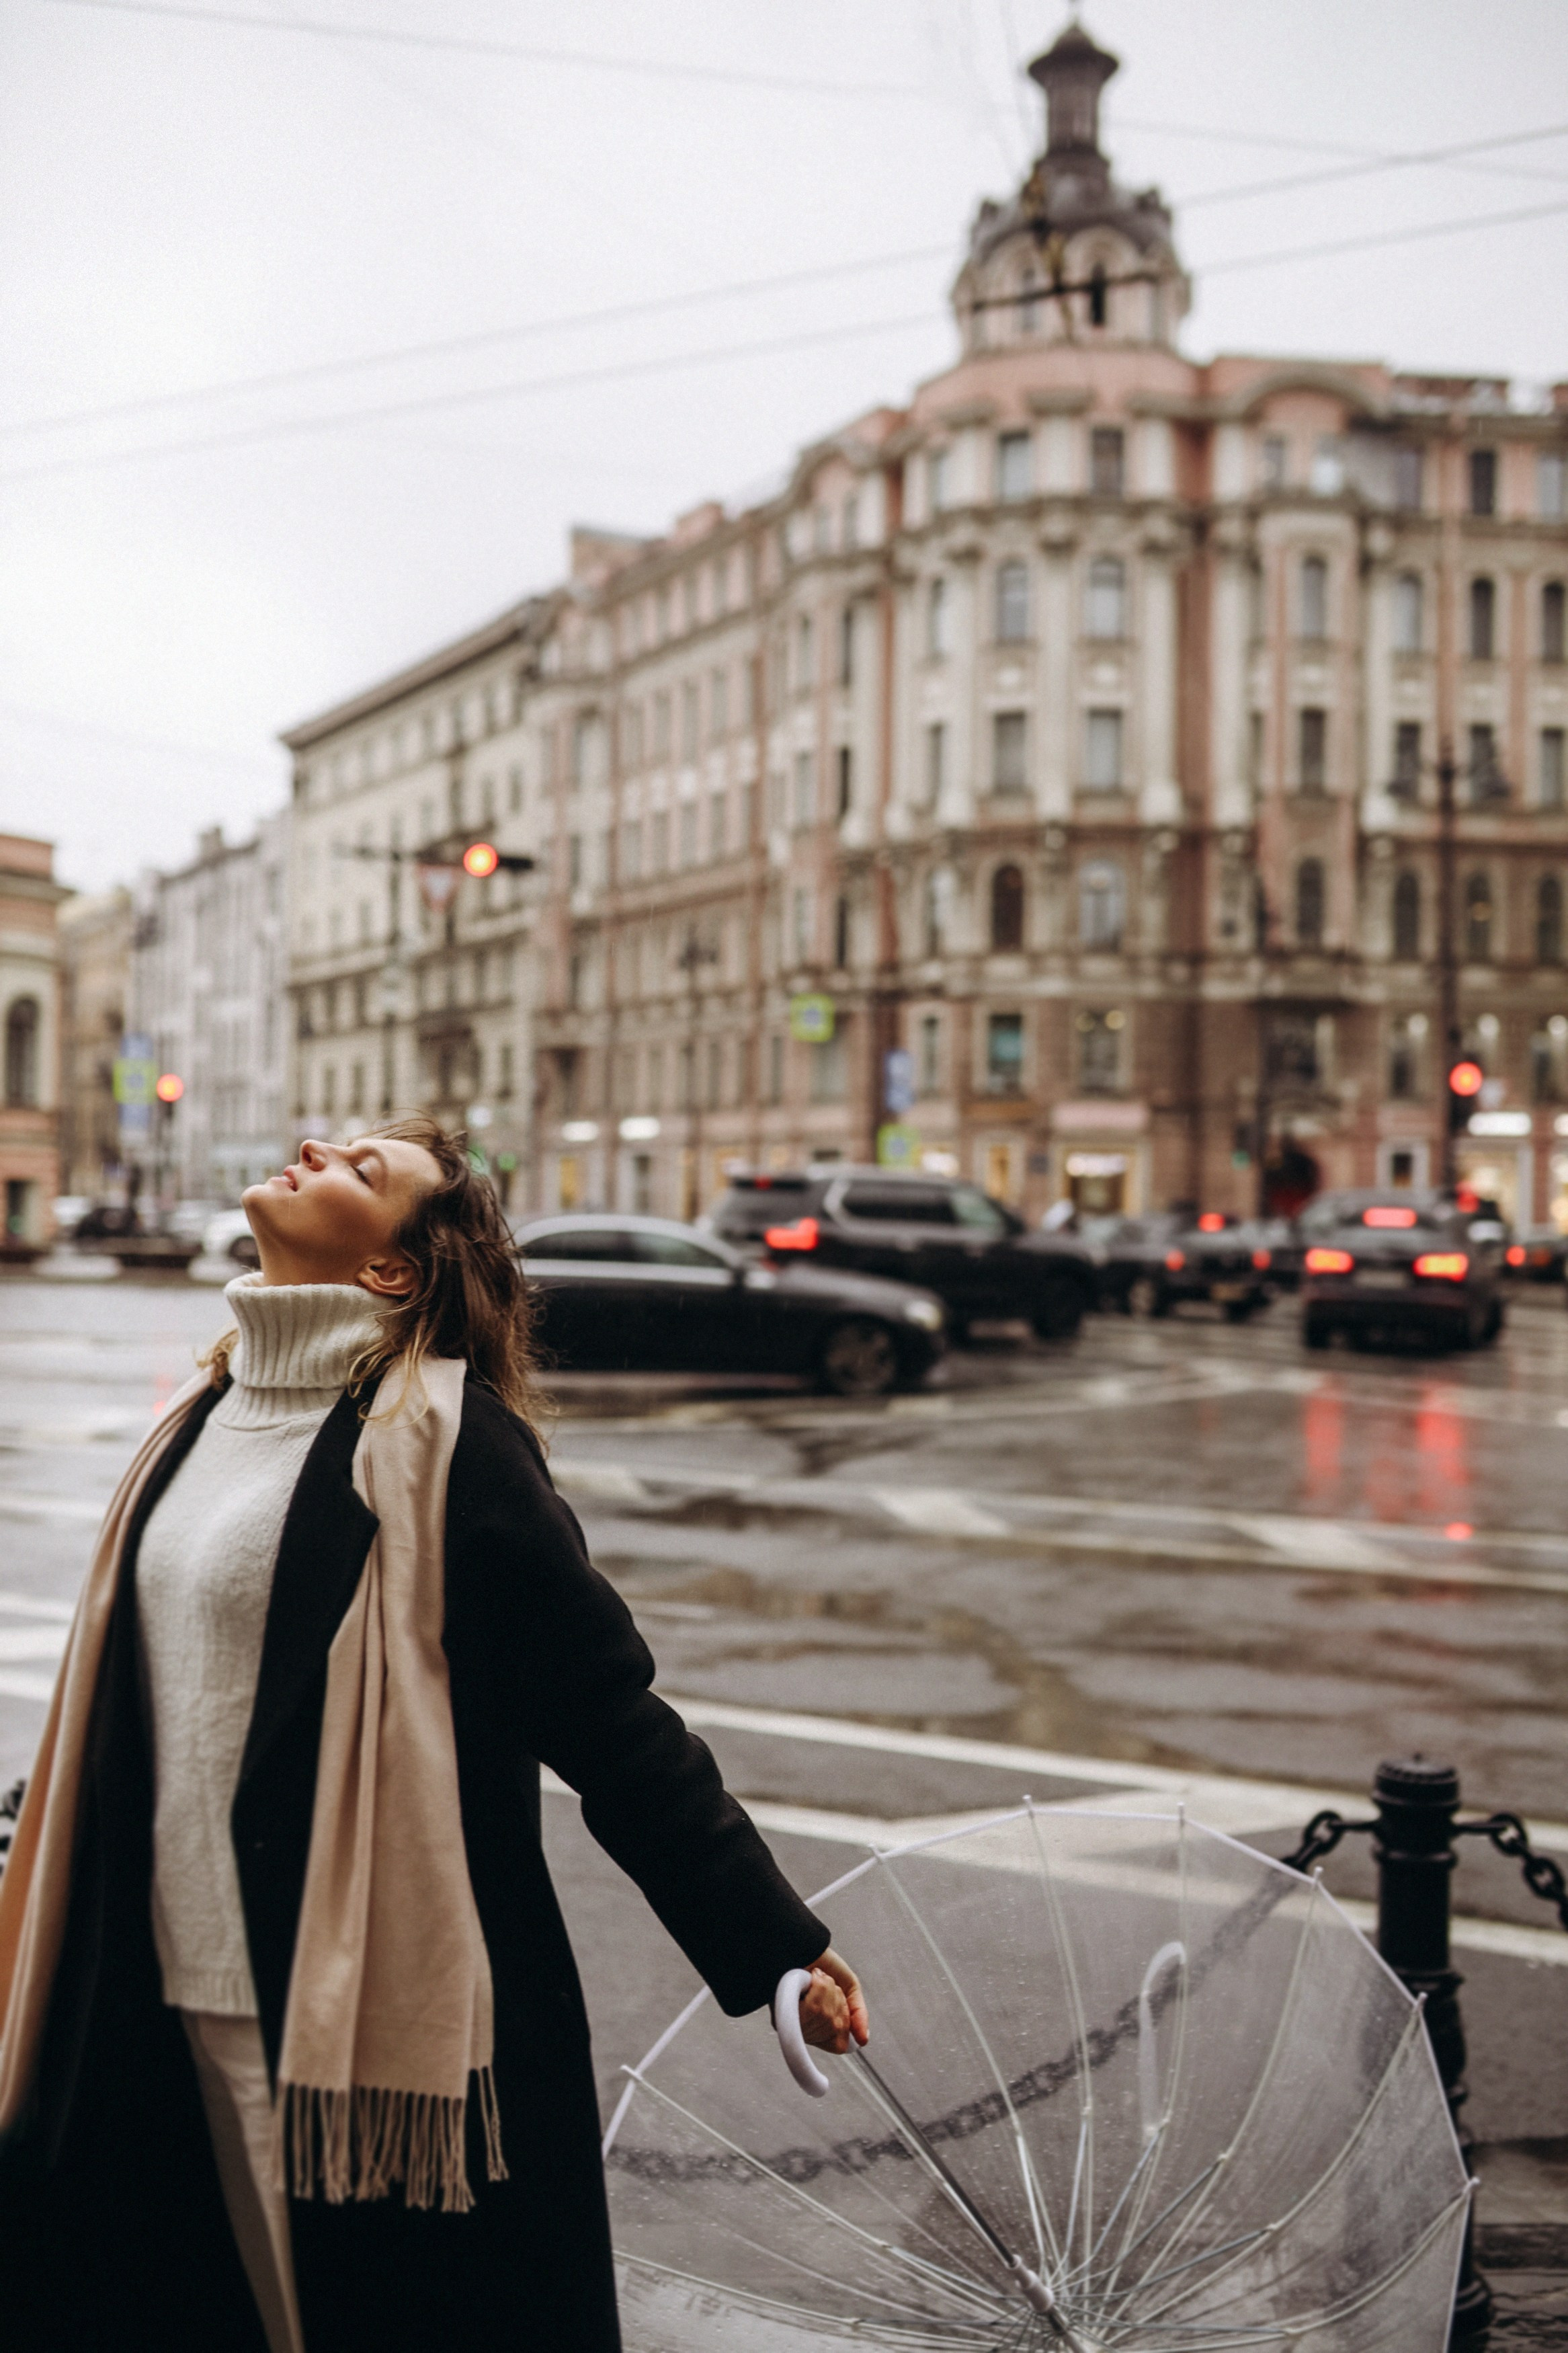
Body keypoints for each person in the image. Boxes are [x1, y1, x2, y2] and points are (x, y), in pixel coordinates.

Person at [0, 1117, 868, 2352]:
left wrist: (769, 1943)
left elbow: (607, 1715)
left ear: (394, 1271)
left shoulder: (448, 1449)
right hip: (144, 1974)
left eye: (365, 1170)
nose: (317, 1147)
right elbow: (163, 1676)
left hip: (339, 2008)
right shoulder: (199, 1416)